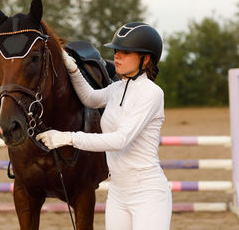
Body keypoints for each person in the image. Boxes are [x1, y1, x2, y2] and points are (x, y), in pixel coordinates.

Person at [37, 22, 172, 230]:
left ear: (145, 59)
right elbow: (90, 98)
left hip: (148, 193)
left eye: (126, 52)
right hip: (118, 192)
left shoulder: (152, 93)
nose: (117, 56)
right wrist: (72, 67)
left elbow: (120, 140)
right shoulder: (117, 88)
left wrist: (66, 138)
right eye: (117, 51)